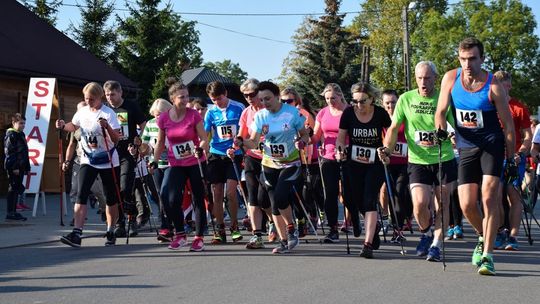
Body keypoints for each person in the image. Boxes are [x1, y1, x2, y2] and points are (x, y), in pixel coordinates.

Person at [435, 37, 515, 275]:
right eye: (463, 59)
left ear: (482, 58)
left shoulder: (493, 86)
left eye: (472, 59)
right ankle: (483, 234)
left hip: (492, 145)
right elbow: (440, 112)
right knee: (467, 204)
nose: (467, 64)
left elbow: (509, 127)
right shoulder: (451, 78)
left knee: (489, 198)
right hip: (466, 145)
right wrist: (441, 133)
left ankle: (488, 256)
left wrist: (510, 159)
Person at [380, 61, 456, 262]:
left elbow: (453, 127)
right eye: (420, 78)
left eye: (428, 78)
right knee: (420, 204)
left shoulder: (444, 97)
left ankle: (436, 245)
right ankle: (426, 233)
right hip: (417, 160)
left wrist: (449, 136)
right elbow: (394, 128)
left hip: (443, 158)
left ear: (435, 78)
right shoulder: (406, 99)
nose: (423, 82)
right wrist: (387, 149)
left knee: (443, 203)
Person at [231, 81, 309, 254]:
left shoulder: (291, 113)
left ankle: (291, 227)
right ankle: (283, 241)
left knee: (281, 197)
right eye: (261, 99)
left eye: (267, 99)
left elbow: (305, 134)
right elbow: (253, 141)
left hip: (290, 163)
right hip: (268, 164)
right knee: (274, 205)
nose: (264, 103)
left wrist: (302, 141)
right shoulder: (260, 116)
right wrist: (241, 142)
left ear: (277, 96)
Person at [56, 82, 121, 247]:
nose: (89, 101)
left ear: (100, 97)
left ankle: (111, 229)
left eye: (92, 99)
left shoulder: (108, 113)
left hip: (107, 160)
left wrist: (106, 127)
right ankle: (77, 233)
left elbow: (116, 139)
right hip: (88, 159)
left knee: (110, 198)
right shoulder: (82, 111)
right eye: (86, 98)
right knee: (81, 193)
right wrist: (64, 126)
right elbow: (74, 125)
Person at [152, 80, 209, 251]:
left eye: (187, 96)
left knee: (198, 198)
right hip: (175, 162)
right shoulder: (163, 118)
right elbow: (161, 143)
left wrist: (201, 148)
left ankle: (198, 237)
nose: (185, 100)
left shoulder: (193, 115)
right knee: (168, 196)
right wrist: (154, 161)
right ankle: (180, 234)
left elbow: (204, 138)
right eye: (181, 97)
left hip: (195, 161)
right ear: (172, 98)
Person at [336, 81, 390, 258]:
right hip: (353, 162)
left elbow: (390, 133)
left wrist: (386, 149)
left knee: (369, 199)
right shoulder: (349, 113)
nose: (359, 105)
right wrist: (340, 150)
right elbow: (341, 138)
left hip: (375, 163)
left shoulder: (380, 113)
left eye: (362, 101)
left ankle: (367, 244)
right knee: (354, 200)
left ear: (372, 99)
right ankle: (372, 231)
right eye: (355, 101)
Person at [493, 71, 531, 251]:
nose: (505, 89)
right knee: (496, 194)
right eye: (501, 86)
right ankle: (501, 231)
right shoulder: (490, 107)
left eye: (507, 86)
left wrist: (521, 152)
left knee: (513, 194)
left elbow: (527, 136)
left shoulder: (519, 108)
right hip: (495, 157)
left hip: (514, 158)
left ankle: (513, 236)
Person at [104, 80, 147, 238]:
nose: (110, 98)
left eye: (112, 94)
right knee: (114, 190)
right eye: (107, 95)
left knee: (125, 187)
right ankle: (119, 223)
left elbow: (143, 124)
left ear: (120, 93)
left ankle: (131, 219)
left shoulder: (130, 106)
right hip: (110, 153)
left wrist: (140, 141)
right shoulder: (105, 109)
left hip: (127, 153)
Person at [204, 81, 245, 244]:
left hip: (234, 154)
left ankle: (234, 226)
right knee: (217, 192)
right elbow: (205, 134)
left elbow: (244, 129)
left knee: (231, 193)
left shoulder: (238, 107)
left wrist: (238, 145)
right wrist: (202, 148)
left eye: (219, 98)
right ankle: (220, 229)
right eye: (213, 99)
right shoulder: (210, 111)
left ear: (225, 94)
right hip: (216, 153)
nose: (217, 102)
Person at [310, 83, 352, 242]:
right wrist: (305, 138)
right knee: (330, 193)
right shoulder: (322, 113)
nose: (330, 101)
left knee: (349, 194)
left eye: (333, 98)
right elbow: (315, 136)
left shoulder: (350, 111)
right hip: (328, 156)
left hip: (347, 156)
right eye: (327, 98)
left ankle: (354, 218)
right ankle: (333, 228)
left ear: (340, 95)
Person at [238, 78, 275, 249]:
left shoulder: (269, 111)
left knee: (263, 198)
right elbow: (242, 134)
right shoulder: (246, 112)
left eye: (252, 94)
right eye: (245, 95)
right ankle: (257, 236)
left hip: (269, 158)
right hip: (252, 157)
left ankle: (273, 221)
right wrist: (236, 144)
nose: (249, 98)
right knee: (252, 197)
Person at [280, 87, 320, 237]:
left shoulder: (303, 114)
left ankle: (310, 216)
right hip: (288, 158)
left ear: (296, 101)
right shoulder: (278, 115)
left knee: (305, 191)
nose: (286, 103)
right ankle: (300, 220)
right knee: (291, 191)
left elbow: (310, 136)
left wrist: (304, 138)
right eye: (283, 101)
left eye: (289, 100)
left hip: (305, 158)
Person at [63, 101, 107, 225]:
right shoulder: (75, 127)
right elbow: (71, 145)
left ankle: (104, 209)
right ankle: (78, 216)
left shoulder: (94, 124)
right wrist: (67, 161)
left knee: (97, 190)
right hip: (79, 160)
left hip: (94, 161)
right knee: (75, 190)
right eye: (79, 110)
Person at [378, 89, 413, 238]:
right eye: (387, 103)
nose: (391, 105)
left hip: (404, 162)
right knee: (388, 192)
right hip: (386, 162)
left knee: (399, 192)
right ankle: (391, 222)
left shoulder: (405, 117)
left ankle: (399, 225)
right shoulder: (380, 120)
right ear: (383, 104)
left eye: (393, 102)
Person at [142, 98, 174, 241]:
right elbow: (145, 144)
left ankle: (171, 224)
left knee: (166, 192)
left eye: (160, 114)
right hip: (155, 163)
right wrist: (139, 148)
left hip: (171, 164)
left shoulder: (173, 123)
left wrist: (167, 147)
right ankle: (166, 225)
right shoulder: (150, 124)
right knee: (160, 195)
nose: (157, 117)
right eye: (155, 114)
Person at [3, 113, 30, 221]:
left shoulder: (21, 134)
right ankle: (10, 212)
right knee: (13, 188)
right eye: (21, 123)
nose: (23, 125)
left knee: (17, 188)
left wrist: (27, 167)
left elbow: (24, 152)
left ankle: (14, 211)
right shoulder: (11, 135)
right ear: (14, 123)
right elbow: (10, 152)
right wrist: (14, 167)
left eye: (24, 123)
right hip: (14, 167)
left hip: (21, 166)